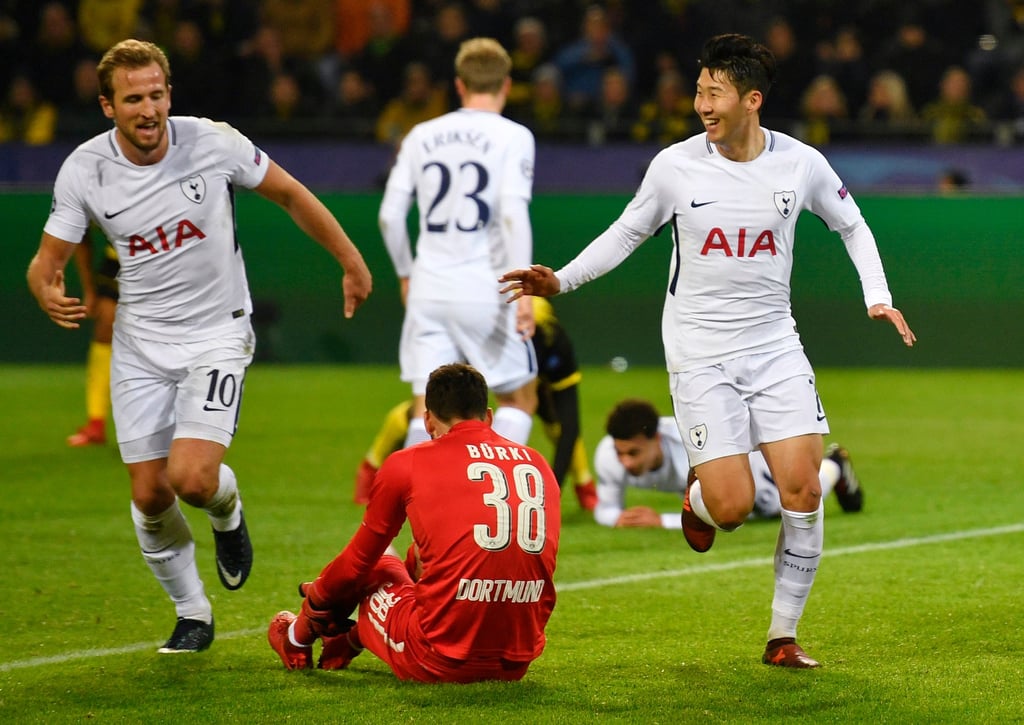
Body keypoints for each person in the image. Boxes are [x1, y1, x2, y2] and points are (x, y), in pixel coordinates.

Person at [500, 33, 916, 669]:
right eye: (698, 91)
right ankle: (698, 503)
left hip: (775, 342)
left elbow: (851, 225)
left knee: (804, 489)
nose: (701, 104)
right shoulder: (675, 167)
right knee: (732, 506)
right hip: (699, 348)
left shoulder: (801, 164)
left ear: (752, 100)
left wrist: (877, 295)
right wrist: (562, 278)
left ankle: (783, 636)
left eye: (713, 92)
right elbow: (628, 231)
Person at [26, 39, 372, 654]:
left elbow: (291, 193)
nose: (149, 109)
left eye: (157, 94)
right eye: (134, 98)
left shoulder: (213, 141)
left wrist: (348, 258)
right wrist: (45, 289)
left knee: (190, 477)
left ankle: (226, 510)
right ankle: (192, 613)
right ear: (109, 105)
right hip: (139, 344)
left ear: (169, 94)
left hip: (216, 334)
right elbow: (45, 261)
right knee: (149, 493)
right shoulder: (85, 167)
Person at [268, 363, 560, 682]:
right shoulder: (538, 462)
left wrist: (318, 599)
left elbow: (357, 565)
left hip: (437, 660)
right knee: (414, 558)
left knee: (377, 568)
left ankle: (296, 639)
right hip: (516, 663)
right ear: (488, 417)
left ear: (428, 420)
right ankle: (345, 641)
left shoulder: (408, 463)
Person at [379, 37, 539, 450]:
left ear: (459, 85)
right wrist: (524, 290)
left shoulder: (421, 135)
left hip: (429, 286)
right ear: (506, 85)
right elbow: (510, 214)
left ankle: (419, 507)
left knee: (427, 408)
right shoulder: (514, 136)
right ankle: (486, 489)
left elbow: (390, 216)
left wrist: (404, 274)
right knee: (518, 398)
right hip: (486, 287)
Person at [353, 297, 597, 510]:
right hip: (474, 360)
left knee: (555, 423)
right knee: (434, 413)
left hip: (525, 376)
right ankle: (372, 467)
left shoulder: (555, 345)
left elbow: (569, 424)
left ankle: (584, 486)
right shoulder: (477, 336)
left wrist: (553, 490)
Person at [594, 399, 862, 529]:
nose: (625, 462)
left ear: (656, 438)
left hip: (741, 452)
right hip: (705, 469)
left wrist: (660, 521)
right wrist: (620, 519)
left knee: (775, 506)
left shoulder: (691, 447)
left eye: (633, 453)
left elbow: (722, 512)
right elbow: (603, 510)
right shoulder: (608, 457)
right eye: (621, 453)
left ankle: (834, 465)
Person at [66, 227, 119, 447]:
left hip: (165, 262)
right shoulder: (91, 194)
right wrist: (89, 289)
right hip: (118, 262)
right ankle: (96, 422)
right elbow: (80, 232)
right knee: (105, 331)